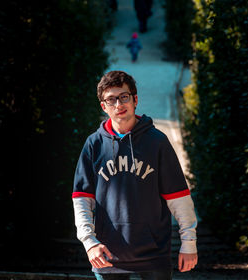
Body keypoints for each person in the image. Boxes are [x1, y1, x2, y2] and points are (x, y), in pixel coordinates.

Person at [72, 71, 198, 280]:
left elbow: (179, 197)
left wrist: (189, 243)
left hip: (154, 253)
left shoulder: (157, 142)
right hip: (107, 254)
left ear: (135, 99)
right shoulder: (94, 144)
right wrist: (89, 242)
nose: (118, 104)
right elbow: (82, 199)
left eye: (124, 96)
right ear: (103, 106)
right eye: (111, 99)